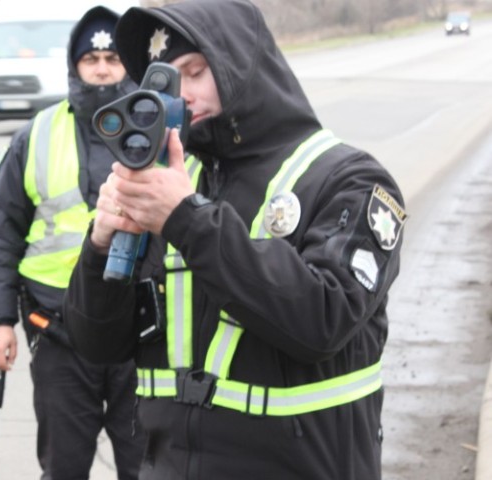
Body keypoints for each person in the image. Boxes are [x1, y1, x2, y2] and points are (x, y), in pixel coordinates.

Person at [63, 1, 407, 479]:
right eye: (166, 82)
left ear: (239, 66)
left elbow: (323, 320)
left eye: (195, 72)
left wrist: (186, 219)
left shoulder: (349, 179)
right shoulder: (175, 181)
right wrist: (101, 248)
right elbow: (98, 344)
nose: (182, 95)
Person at [0, 5, 144, 479]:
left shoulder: (155, 131)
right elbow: (0, 231)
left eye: (113, 58)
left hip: (139, 336)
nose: (103, 69)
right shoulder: (38, 134)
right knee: (64, 467)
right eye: (91, 59)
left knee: (148, 468)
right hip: (58, 334)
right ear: (75, 66)